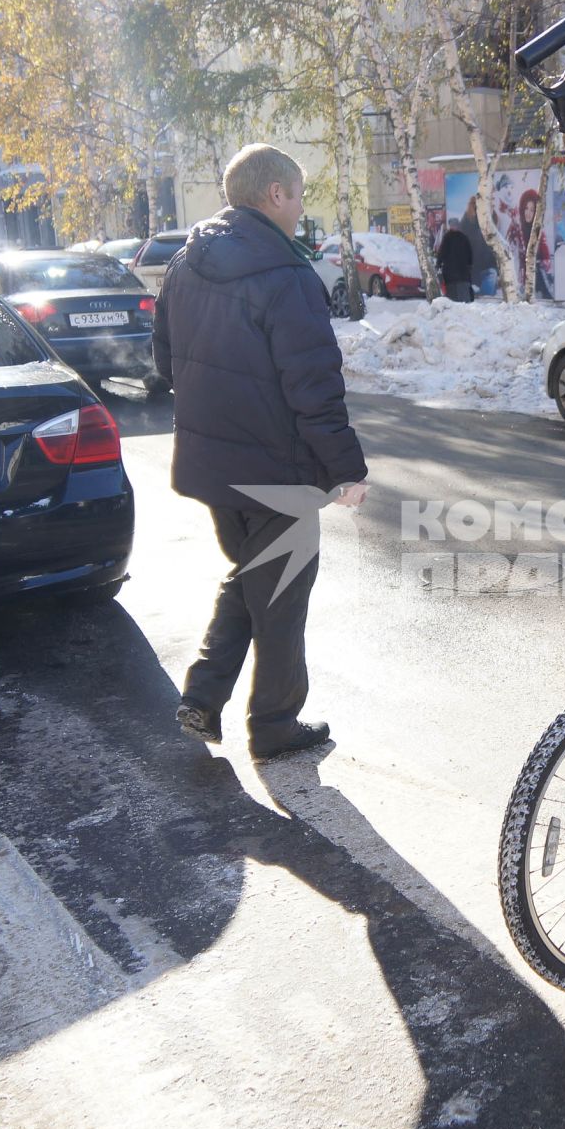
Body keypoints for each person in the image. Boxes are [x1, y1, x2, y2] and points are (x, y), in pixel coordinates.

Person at [153, 143, 370, 758]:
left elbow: (163, 360)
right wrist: (347, 470)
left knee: (254, 578)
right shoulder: (286, 275)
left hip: (213, 467)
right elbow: (315, 387)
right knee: (279, 600)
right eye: (297, 195)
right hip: (277, 470)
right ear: (275, 194)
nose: (301, 210)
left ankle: (202, 697)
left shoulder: (184, 266)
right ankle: (273, 724)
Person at [436, 223, 474, 302]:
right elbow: (470, 254)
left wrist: (438, 264)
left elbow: (441, 253)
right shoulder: (464, 238)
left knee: (452, 301)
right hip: (463, 276)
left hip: (450, 276)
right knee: (465, 300)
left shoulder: (447, 238)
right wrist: (469, 266)